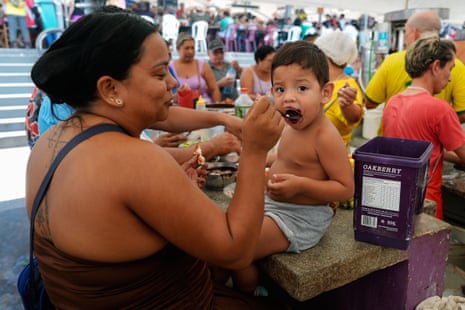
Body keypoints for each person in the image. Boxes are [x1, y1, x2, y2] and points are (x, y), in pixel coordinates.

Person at [27, 8, 286, 308]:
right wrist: (255, 151)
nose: (173, 83)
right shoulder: (136, 160)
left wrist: (220, 122)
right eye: (160, 73)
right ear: (110, 88)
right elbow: (236, 249)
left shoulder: (51, 141)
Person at [231, 40, 354, 295]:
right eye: (279, 89)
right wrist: (260, 158)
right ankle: (247, 291)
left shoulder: (324, 136)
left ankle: (248, 299)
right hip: (274, 206)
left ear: (325, 93)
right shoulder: (290, 124)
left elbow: (345, 188)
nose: (288, 97)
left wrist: (300, 185)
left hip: (299, 218)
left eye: (301, 87)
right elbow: (284, 157)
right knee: (227, 232)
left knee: (237, 247)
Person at [383, 37, 465, 220]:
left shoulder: (393, 103)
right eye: (449, 69)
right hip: (425, 200)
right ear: (436, 66)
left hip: (395, 195)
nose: (450, 77)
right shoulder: (440, 109)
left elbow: (423, 148)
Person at [365, 9, 465, 136]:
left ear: (415, 34)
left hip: (390, 145)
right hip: (432, 146)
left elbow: (370, 103)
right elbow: (462, 113)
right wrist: (435, 125)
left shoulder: (391, 62)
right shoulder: (457, 65)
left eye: (406, 32)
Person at [314, 31, 364, 151]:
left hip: (330, 155)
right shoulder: (319, 81)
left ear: (325, 56)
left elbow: (355, 117)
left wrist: (347, 105)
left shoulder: (346, 86)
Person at [169, 33, 221, 103]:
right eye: (187, 48)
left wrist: (217, 105)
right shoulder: (170, 67)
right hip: (180, 107)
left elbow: (214, 89)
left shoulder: (203, 65)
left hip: (202, 106)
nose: (190, 52)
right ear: (178, 49)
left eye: (192, 48)